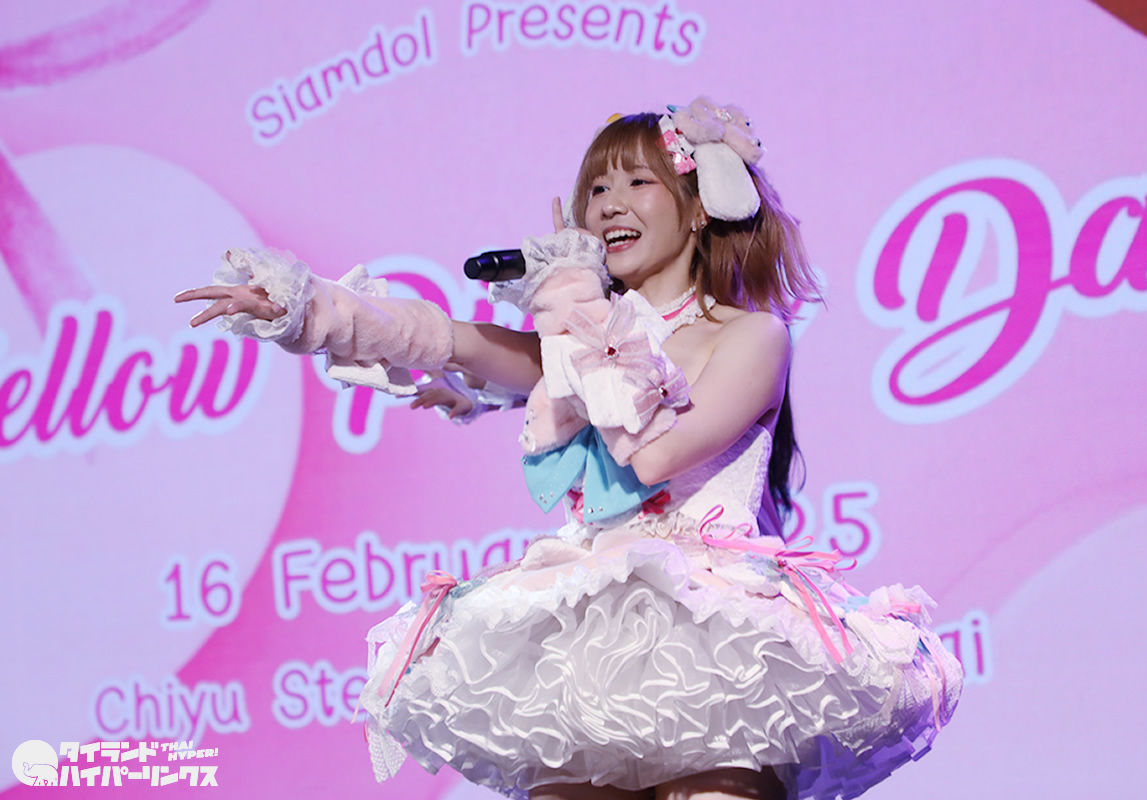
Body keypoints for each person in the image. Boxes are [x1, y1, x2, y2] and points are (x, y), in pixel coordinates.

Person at [177, 97, 961, 800]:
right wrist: (309, 306)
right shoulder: (574, 339)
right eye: (596, 189)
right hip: (586, 629)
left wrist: (577, 314)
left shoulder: (752, 336)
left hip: (715, 633)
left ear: (698, 208)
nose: (609, 204)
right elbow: (443, 338)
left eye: (637, 182)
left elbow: (651, 456)